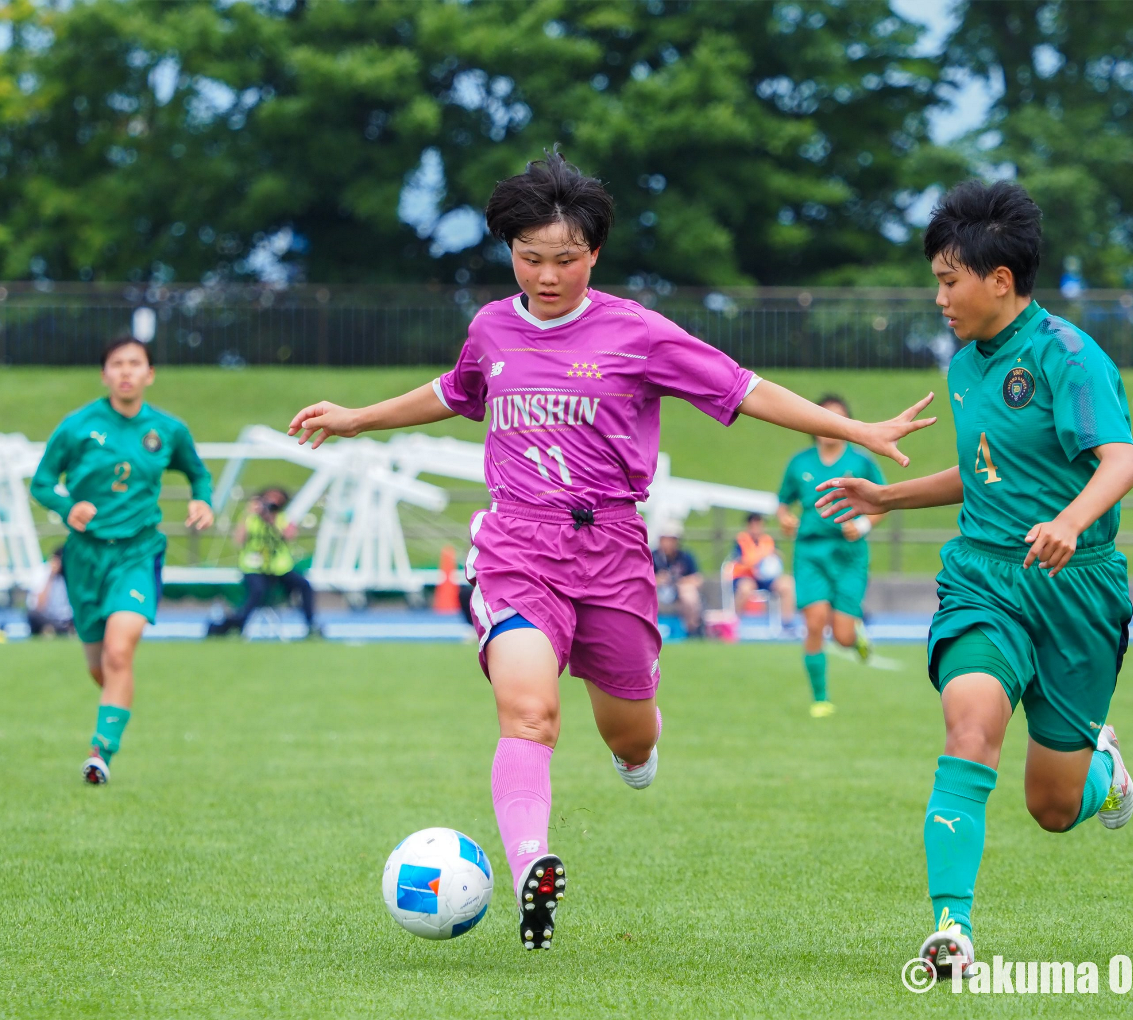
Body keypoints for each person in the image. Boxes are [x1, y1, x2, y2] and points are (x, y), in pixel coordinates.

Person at [287, 148, 935, 951]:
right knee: (529, 708)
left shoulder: (637, 331)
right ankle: (532, 864)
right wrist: (355, 416)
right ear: (510, 254)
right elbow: (455, 392)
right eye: (530, 258)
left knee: (631, 735)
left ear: (594, 253)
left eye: (564, 259)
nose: (546, 275)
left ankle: (636, 749)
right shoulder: (491, 325)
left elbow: (743, 387)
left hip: (614, 551)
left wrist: (854, 429)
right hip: (518, 544)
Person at [816, 180, 1133, 977]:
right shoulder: (964, 366)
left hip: (1077, 589)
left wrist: (1069, 520)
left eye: (949, 279)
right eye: (935, 279)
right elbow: (986, 474)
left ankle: (1103, 770)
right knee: (969, 726)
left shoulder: (1069, 356)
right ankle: (951, 930)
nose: (939, 296)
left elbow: (1120, 461)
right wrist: (889, 495)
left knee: (1053, 807)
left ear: (1001, 280)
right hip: (986, 581)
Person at [30, 335, 214, 785]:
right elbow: (41, 483)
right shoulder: (77, 427)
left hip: (138, 552)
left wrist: (202, 501)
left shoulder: (168, 429)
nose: (126, 371)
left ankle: (101, 751)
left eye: (136, 363)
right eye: (117, 364)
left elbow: (198, 473)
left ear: (149, 374)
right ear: (104, 374)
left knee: (118, 651)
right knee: (102, 665)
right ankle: (120, 696)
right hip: (85, 559)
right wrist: (66, 506)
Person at [776, 395, 885, 717]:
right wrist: (784, 518)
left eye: (837, 417)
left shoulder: (862, 462)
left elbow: (883, 501)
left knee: (842, 635)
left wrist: (863, 525)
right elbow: (783, 501)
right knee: (814, 623)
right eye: (823, 417)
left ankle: (856, 636)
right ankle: (820, 699)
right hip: (810, 552)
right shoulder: (799, 463)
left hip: (849, 555)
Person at [209, 486, 317, 636]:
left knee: (304, 586)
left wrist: (272, 521)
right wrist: (249, 513)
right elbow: (238, 540)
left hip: (279, 568)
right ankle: (237, 623)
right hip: (254, 568)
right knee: (257, 591)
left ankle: (311, 624)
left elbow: (290, 536)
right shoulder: (251, 519)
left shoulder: (283, 518)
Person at [730, 513, 795, 628]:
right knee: (745, 588)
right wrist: (758, 558)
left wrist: (774, 558)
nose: (756, 528)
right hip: (747, 576)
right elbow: (741, 559)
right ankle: (735, 624)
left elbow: (778, 557)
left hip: (766, 578)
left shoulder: (768, 540)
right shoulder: (741, 541)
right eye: (753, 525)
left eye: (759, 524)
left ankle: (787, 624)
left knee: (787, 584)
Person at [652, 520, 703, 637]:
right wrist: (658, 579)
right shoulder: (651, 556)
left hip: (678, 593)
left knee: (689, 594)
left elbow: (697, 579)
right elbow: (642, 579)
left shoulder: (685, 557)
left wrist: (679, 582)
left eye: (672, 539)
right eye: (666, 539)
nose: (668, 543)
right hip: (658, 592)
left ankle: (692, 631)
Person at [26, 545, 75, 637]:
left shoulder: (71, 575)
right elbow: (38, 606)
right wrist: (51, 576)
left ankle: (53, 630)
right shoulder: (42, 572)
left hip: (67, 618)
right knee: (33, 615)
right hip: (47, 617)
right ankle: (54, 629)